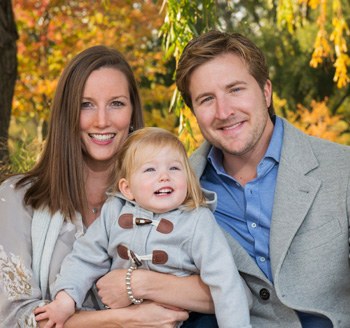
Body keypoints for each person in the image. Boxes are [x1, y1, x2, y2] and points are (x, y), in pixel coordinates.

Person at [0, 46, 213, 328]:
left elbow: (224, 286)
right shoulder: (18, 199)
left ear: (133, 112)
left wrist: (139, 283)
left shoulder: (164, 192)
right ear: (67, 114)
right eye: (86, 104)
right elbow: (14, 318)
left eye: (116, 103)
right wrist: (125, 319)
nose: (102, 120)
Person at [175, 30, 350, 328]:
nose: (224, 111)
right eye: (206, 99)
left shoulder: (342, 168)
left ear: (266, 92)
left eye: (235, 90)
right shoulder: (177, 190)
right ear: (193, 112)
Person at [34, 127, 252, 328]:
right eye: (150, 169)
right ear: (127, 188)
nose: (164, 176)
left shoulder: (197, 220)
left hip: (188, 319)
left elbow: (225, 280)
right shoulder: (114, 212)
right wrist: (65, 301)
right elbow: (85, 257)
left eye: (174, 168)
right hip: (127, 318)